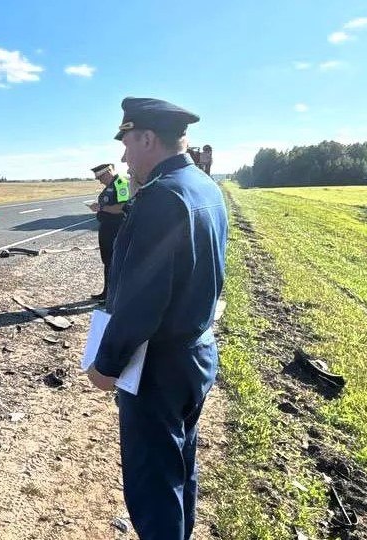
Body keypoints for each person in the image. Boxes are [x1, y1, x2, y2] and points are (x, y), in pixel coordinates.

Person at [86, 97, 228, 540]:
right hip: (195, 352)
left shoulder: (162, 198)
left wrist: (107, 365)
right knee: (179, 468)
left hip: (157, 365)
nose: (124, 155)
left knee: (153, 485)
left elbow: (142, 299)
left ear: (147, 138)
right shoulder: (203, 186)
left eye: (127, 142)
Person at [88, 163, 131, 301]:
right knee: (108, 261)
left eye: (100, 177)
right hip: (107, 227)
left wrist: (101, 208)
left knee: (114, 261)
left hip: (116, 228)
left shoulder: (120, 183)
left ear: (108, 172)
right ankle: (107, 293)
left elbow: (123, 206)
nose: (99, 181)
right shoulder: (110, 185)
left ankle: (114, 295)